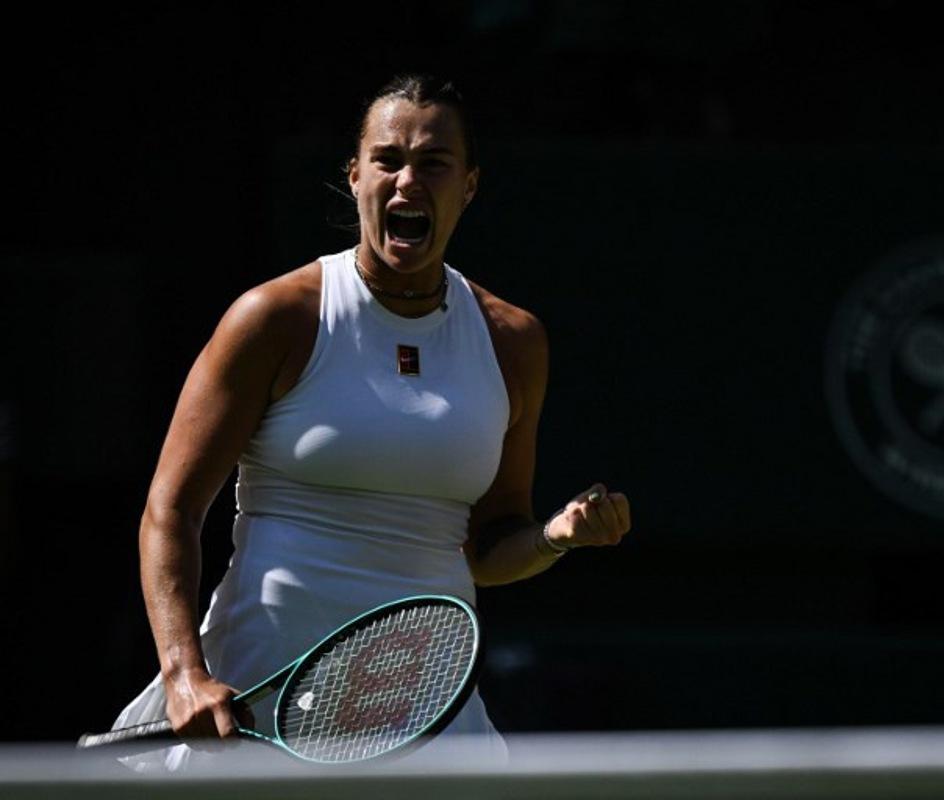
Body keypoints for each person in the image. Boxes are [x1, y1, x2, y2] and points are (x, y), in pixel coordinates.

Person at [111, 74, 632, 770]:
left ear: (468, 186)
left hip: (424, 720)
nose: (407, 180)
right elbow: (169, 511)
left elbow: (489, 546)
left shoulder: (514, 342)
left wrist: (553, 537)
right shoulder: (276, 318)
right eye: (387, 159)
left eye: (434, 163)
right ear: (355, 177)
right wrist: (182, 674)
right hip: (256, 698)